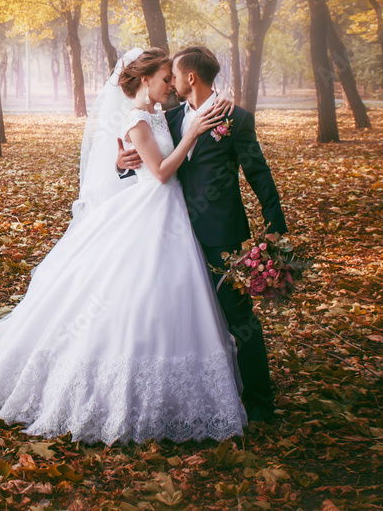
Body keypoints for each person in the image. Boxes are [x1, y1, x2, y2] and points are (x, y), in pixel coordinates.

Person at [0, 47, 247, 445]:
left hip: (172, 213)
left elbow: (176, 130)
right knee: (130, 294)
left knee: (171, 297)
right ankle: (113, 389)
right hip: (152, 207)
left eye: (172, 79)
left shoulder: (163, 114)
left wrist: (204, 113)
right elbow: (158, 172)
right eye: (164, 79)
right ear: (146, 80)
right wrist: (185, 136)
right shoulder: (138, 118)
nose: (171, 86)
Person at [116, 45, 287, 423]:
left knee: (238, 319)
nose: (172, 83)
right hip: (168, 234)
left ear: (190, 77)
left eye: (174, 76)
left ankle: (259, 401)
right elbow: (149, 160)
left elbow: (260, 176)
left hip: (219, 236)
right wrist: (121, 164)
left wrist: (277, 233)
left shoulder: (235, 119)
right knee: (178, 318)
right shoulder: (170, 116)